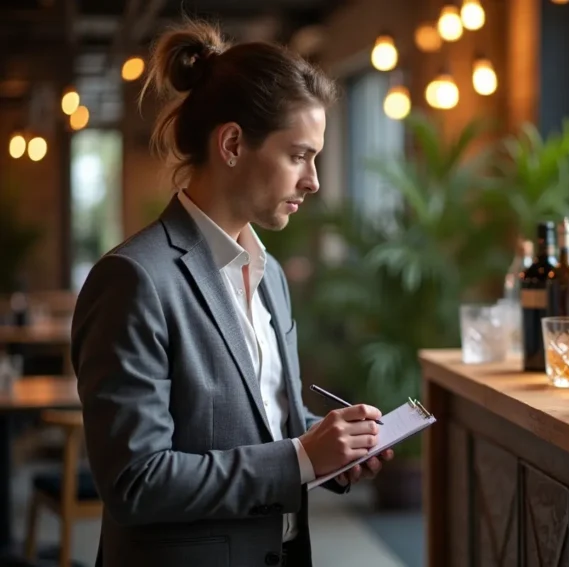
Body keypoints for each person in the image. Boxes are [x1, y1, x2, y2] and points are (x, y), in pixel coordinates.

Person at [71, 19, 392, 567]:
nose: (313, 181)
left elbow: (263, 424)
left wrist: (333, 449)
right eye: (299, 155)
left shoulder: (271, 275)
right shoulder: (133, 279)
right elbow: (135, 482)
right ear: (233, 143)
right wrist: (300, 458)